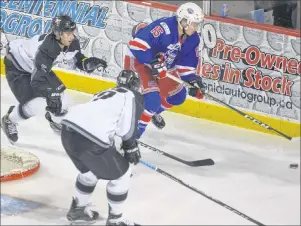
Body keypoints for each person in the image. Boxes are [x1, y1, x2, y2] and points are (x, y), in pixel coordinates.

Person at [1, 15, 107, 144]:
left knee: (63, 99)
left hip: (36, 69)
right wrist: (51, 94)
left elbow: (77, 58)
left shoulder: (71, 42)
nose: (72, 37)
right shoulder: (45, 49)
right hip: (18, 67)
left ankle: (54, 120)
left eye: (72, 32)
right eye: (68, 33)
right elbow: (37, 80)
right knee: (37, 104)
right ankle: (9, 119)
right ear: (58, 33)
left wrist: (87, 63)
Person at [58, 69, 143, 225]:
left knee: (89, 173)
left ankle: (78, 211)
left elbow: (104, 125)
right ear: (135, 85)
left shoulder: (106, 92)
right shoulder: (131, 96)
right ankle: (116, 221)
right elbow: (127, 129)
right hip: (90, 138)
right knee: (123, 174)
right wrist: (130, 147)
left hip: (68, 130)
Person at [124, 2, 206, 139]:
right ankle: (133, 137)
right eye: (193, 23)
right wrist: (154, 62)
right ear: (183, 21)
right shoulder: (164, 28)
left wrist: (193, 82)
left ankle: (152, 112)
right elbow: (136, 45)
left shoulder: (193, 39)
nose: (195, 27)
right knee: (152, 99)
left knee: (178, 96)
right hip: (140, 60)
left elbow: (185, 67)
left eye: (197, 24)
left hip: (163, 66)